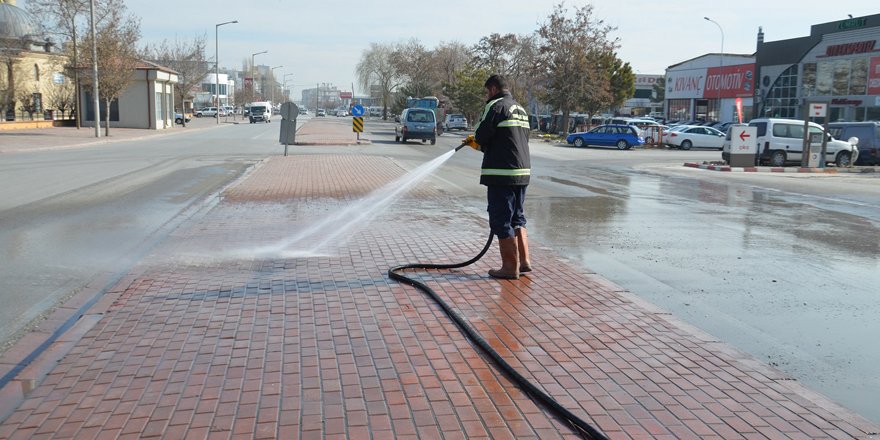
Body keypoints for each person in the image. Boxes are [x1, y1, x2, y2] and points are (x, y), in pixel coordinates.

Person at [463, 74, 532, 280]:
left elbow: (481, 135)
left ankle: (510, 267)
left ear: (493, 89)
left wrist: (475, 142)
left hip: (501, 173)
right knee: (517, 217)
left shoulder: (495, 106)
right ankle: (524, 261)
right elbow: (512, 140)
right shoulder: (520, 109)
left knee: (501, 219)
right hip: (522, 172)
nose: (487, 95)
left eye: (487, 91)